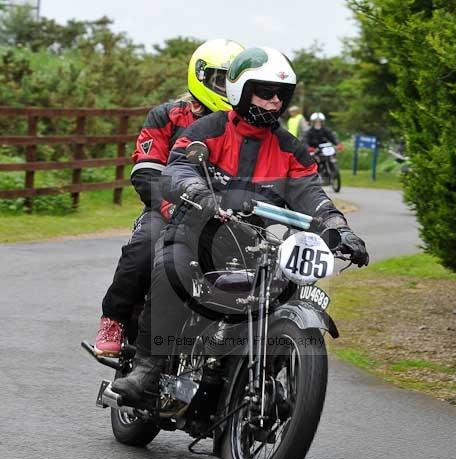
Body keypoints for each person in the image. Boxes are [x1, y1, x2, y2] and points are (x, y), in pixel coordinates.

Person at [111, 46, 370, 402]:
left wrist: (339, 228)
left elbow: (313, 195)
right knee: (169, 266)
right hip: (195, 231)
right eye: (264, 93)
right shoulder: (208, 130)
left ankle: (264, 375)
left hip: (252, 242)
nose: (274, 102)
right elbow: (178, 168)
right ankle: (148, 367)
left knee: (288, 287)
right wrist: (198, 191)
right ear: (241, 91)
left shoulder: (292, 150)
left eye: (281, 95)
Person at [93, 38, 244, 355]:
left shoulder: (247, 127)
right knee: (144, 248)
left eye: (234, 82)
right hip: (170, 210)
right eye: (220, 80)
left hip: (227, 219)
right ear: (200, 77)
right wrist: (172, 206)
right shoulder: (166, 116)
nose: (227, 90)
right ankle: (115, 318)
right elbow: (145, 173)